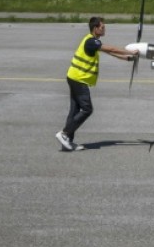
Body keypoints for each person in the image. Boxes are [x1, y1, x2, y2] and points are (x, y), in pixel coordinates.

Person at [56, 17, 138, 152]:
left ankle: (67, 143)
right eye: (102, 27)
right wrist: (130, 51)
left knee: (74, 111)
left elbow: (110, 52)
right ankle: (64, 134)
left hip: (74, 77)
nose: (104, 29)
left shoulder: (93, 41)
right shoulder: (91, 41)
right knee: (87, 109)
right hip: (78, 79)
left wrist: (128, 58)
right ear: (96, 28)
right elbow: (112, 48)